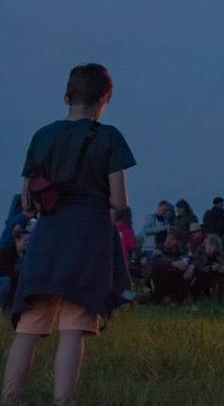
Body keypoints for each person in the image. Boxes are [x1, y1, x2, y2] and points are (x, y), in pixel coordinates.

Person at [3, 63, 136, 405]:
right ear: (105, 98)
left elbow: (28, 202)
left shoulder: (42, 136)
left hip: (48, 239)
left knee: (29, 329)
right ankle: (63, 402)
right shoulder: (109, 137)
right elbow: (119, 201)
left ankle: (11, 398)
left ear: (67, 97)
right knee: (74, 328)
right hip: (88, 238)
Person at [149, 229, 191, 304]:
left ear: (179, 242)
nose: (168, 241)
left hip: (176, 283)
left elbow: (194, 258)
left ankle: (178, 298)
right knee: (166, 270)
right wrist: (172, 263)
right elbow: (155, 263)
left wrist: (191, 267)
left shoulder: (184, 251)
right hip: (158, 283)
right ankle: (159, 298)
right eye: (167, 238)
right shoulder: (160, 249)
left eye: (172, 239)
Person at [189, 234, 224, 300]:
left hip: (213, 275)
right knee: (200, 274)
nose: (209, 247)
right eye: (208, 245)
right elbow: (198, 267)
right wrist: (211, 268)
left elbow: (223, 263)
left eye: (212, 246)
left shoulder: (218, 253)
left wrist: (222, 268)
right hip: (200, 277)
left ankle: (223, 295)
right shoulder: (200, 251)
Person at [0, 226, 30, 309]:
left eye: (30, 240)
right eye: (26, 240)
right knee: (7, 281)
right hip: (4, 279)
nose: (28, 242)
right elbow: (4, 271)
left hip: (14, 279)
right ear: (17, 240)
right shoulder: (6, 252)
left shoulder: (26, 255)